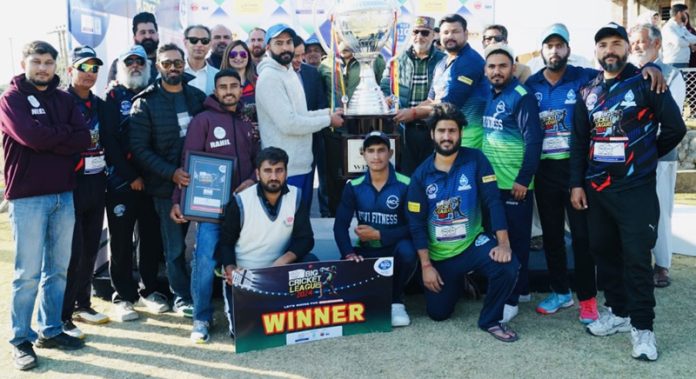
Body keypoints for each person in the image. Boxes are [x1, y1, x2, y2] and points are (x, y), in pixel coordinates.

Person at [570, 23, 686, 361]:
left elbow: (675, 128)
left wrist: (645, 155)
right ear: (596, 51)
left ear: (626, 48)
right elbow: (579, 141)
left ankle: (643, 329)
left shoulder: (647, 81)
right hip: (597, 190)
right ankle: (618, 313)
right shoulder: (587, 91)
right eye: (603, 44)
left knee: (637, 259)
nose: (610, 50)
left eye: (617, 43)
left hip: (635, 189)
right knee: (603, 252)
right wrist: (577, 183)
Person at [1, 40, 90, 371]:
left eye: (48, 62)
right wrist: (60, 136)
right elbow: (31, 138)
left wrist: (53, 135)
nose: (42, 68)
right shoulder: (11, 99)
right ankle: (20, 339)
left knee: (57, 269)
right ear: (25, 63)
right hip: (27, 199)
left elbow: (83, 139)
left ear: (56, 65)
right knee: (27, 274)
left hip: (63, 195)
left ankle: (50, 330)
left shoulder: (65, 99)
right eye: (36, 61)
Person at [407, 103, 520, 343]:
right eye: (441, 131)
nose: (446, 137)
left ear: (460, 133)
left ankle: (490, 319)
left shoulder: (476, 160)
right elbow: (416, 224)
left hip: (472, 244)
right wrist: (426, 266)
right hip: (441, 256)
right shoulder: (420, 176)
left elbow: (493, 202)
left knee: (508, 265)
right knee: (438, 314)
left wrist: (503, 244)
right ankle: (459, 280)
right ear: (432, 135)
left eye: (452, 131)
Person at [169, 69, 259, 344]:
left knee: (245, 258)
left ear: (241, 87)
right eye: (223, 87)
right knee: (205, 260)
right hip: (212, 209)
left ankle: (249, 312)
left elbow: (259, 159)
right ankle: (201, 317)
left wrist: (252, 180)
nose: (229, 91)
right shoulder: (203, 120)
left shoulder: (248, 119)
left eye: (234, 86)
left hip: (244, 205)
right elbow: (189, 164)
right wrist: (177, 200)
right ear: (215, 90)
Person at [525, 23, 599, 323]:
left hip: (576, 168)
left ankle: (588, 299)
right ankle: (560, 292)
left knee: (581, 237)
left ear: (568, 49)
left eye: (559, 45)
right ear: (541, 50)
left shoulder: (583, 77)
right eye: (549, 46)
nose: (554, 51)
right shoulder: (531, 85)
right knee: (552, 236)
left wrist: (648, 69)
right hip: (544, 170)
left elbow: (615, 72)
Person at [129, 43, 207, 317]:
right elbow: (139, 149)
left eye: (177, 62)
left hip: (203, 184)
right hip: (166, 187)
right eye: (166, 63)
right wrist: (170, 172)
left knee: (209, 241)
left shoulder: (197, 96)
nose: (173, 67)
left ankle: (208, 291)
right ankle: (182, 297)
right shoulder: (145, 102)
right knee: (174, 247)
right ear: (158, 66)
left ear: (184, 64)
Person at [217, 147, 317, 338]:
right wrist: (230, 269)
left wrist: (282, 262)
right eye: (268, 171)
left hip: (279, 271)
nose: (273, 176)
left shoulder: (296, 196)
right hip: (245, 275)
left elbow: (306, 239)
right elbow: (225, 243)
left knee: (312, 261)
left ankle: (293, 309)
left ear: (286, 172)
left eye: (279, 170)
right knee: (243, 334)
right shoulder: (241, 201)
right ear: (257, 173)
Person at [103, 45, 170, 322]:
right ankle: (122, 296)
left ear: (148, 65)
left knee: (150, 239)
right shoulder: (111, 95)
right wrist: (131, 177)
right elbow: (109, 141)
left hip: (152, 182)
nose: (135, 66)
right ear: (121, 66)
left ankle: (149, 289)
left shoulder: (156, 93)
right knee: (120, 242)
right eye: (129, 61)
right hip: (121, 182)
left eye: (139, 61)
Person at [482, 43, 543, 323]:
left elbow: (534, 141)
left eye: (502, 66)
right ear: (486, 70)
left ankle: (512, 299)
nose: (497, 71)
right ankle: (522, 288)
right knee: (497, 238)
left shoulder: (521, 95)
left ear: (513, 68)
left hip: (514, 184)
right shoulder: (491, 95)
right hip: (493, 183)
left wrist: (523, 179)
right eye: (492, 66)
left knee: (516, 242)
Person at [333, 131, 418, 327]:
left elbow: (414, 227)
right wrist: (348, 253)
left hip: (394, 249)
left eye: (381, 150)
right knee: (342, 275)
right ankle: (372, 299)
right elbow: (340, 226)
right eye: (371, 151)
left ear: (390, 153)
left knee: (407, 251)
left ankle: (396, 301)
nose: (376, 156)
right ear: (363, 154)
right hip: (367, 251)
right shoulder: (353, 186)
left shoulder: (406, 184)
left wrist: (380, 234)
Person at [255, 24, 344, 207]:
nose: (285, 47)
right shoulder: (270, 77)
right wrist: (328, 120)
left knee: (300, 225)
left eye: (288, 42)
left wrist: (328, 112)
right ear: (268, 48)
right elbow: (289, 123)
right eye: (278, 43)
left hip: (300, 164)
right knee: (288, 228)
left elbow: (301, 115)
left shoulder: (288, 72)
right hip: (283, 168)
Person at [630, 23, 686, 289]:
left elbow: (669, 122)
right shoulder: (627, 74)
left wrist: (651, 152)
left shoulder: (672, 75)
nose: (637, 46)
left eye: (642, 41)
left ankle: (662, 265)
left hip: (659, 157)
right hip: (629, 159)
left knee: (661, 210)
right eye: (634, 41)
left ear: (657, 44)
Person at [61, 46, 111, 339]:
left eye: (94, 69)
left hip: (97, 181)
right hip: (71, 184)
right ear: (71, 70)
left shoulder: (99, 103)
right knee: (73, 251)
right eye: (83, 67)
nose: (89, 74)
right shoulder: (61, 101)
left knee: (91, 247)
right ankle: (63, 315)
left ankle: (83, 304)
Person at [318, 34, 386, 214]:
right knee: (336, 179)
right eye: (340, 39)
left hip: (364, 131)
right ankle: (335, 217)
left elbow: (384, 87)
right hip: (335, 132)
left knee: (366, 176)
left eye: (348, 38)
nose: (344, 43)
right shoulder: (325, 65)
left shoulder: (373, 60)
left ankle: (370, 214)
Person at [382, 15, 445, 175]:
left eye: (424, 32)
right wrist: (386, 98)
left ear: (433, 35)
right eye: (415, 32)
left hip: (433, 127)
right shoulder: (396, 59)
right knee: (406, 178)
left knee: (433, 176)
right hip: (404, 130)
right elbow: (384, 85)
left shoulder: (443, 61)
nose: (419, 36)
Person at [423, 14, 490, 149]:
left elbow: (451, 103)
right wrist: (407, 111)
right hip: (444, 135)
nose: (450, 36)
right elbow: (431, 99)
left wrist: (412, 114)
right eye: (446, 32)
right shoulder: (441, 63)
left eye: (455, 32)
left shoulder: (470, 61)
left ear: (465, 34)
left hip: (468, 137)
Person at [292, 35, 330, 217]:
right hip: (291, 139)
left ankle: (324, 214)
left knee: (322, 178)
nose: (312, 54)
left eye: (317, 50)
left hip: (316, 135)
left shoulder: (313, 73)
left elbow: (321, 104)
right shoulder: (278, 75)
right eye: (309, 50)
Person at [108, 12, 159, 82]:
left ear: (157, 35)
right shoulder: (121, 63)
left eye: (151, 32)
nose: (148, 36)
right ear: (134, 38)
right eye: (143, 33)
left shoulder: (166, 63)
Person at [221, 40, 259, 122]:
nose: (238, 58)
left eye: (243, 54)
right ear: (227, 57)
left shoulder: (258, 82)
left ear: (248, 57)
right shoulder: (219, 83)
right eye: (233, 54)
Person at [183, 25, 219, 95]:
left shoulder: (218, 76)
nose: (199, 45)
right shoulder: (172, 72)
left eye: (204, 41)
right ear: (185, 42)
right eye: (194, 40)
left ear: (210, 44)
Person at [661, 3, 696, 67]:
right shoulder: (668, 27)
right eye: (685, 13)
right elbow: (678, 42)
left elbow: (693, 38)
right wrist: (689, 43)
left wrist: (684, 39)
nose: (686, 16)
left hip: (684, 61)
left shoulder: (681, 26)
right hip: (673, 63)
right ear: (679, 13)